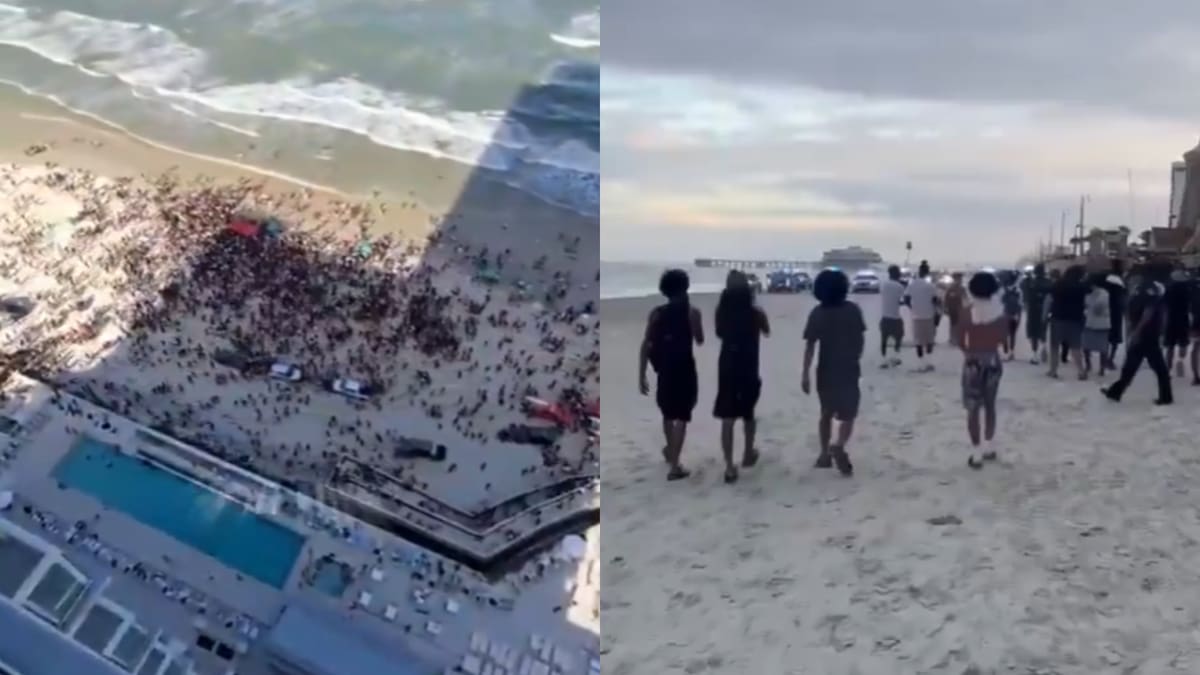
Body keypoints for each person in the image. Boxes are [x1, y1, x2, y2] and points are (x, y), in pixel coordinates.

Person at [638, 269, 705, 480]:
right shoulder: (692, 312)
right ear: (685, 287)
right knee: (683, 416)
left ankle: (670, 451)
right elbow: (700, 339)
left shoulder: (657, 313)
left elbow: (646, 345)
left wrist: (641, 374)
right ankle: (675, 465)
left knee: (668, 414)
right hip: (685, 368)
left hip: (664, 368)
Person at [802, 269, 865, 476]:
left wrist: (805, 373)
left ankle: (823, 454)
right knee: (849, 414)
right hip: (848, 367)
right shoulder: (853, 310)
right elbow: (860, 339)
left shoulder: (817, 313)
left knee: (826, 413)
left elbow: (810, 346)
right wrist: (855, 355)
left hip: (826, 368)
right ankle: (839, 444)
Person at [712, 270, 770, 484]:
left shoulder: (722, 311)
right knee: (748, 412)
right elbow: (767, 331)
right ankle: (748, 452)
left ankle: (729, 466)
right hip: (748, 364)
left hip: (728, 363)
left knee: (727, 417)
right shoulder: (755, 312)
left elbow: (719, 333)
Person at [956, 271, 1007, 469]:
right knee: (990, 405)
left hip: (973, 362)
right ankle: (989, 446)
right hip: (993, 360)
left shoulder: (967, 312)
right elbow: (1002, 339)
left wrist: (969, 352)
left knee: (973, 408)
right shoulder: (1000, 313)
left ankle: (976, 452)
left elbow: (960, 341)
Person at [1102, 272, 1173, 405]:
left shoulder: (1145, 290)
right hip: (1146, 333)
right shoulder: (1142, 291)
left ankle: (1166, 397)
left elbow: (1148, 312)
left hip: (1147, 334)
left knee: (1155, 367)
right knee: (1132, 366)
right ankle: (1115, 392)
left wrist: (1137, 331)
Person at [1047, 265, 1087, 379]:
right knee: (1076, 347)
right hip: (1075, 319)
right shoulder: (1081, 286)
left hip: (1058, 318)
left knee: (1055, 346)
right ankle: (1081, 371)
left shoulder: (1058, 284)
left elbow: (1051, 297)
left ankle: (1053, 370)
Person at [905, 261, 939, 372]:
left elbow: (906, 299)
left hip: (916, 316)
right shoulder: (930, 285)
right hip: (929, 315)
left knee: (918, 341)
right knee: (929, 340)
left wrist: (912, 308)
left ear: (919, 272)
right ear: (927, 272)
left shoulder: (912, 285)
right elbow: (935, 300)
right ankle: (928, 362)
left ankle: (920, 363)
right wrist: (936, 312)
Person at [1081, 273, 1111, 378]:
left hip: (1099, 323)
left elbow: (1097, 308)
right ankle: (1091, 365)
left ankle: (1100, 367)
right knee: (1088, 346)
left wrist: (1089, 306)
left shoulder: (1103, 293)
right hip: (1092, 322)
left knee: (1100, 347)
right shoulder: (1090, 293)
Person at [1021, 264, 1052, 364]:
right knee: (1043, 330)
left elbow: (1024, 292)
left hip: (1032, 310)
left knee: (1033, 333)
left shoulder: (1030, 282)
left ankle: (1034, 355)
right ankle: (1044, 347)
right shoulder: (1049, 282)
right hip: (1044, 309)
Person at [1163, 268, 1192, 377]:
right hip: (1183, 318)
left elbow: (1164, 305)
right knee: (1183, 343)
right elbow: (1191, 304)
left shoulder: (1168, 289)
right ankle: (1180, 359)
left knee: (1170, 346)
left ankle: (1168, 367)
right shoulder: (1188, 289)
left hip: (1171, 319)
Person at [878, 265, 906, 367]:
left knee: (884, 339)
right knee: (899, 336)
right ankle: (895, 357)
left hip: (885, 317)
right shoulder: (899, 286)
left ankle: (883, 360)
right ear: (898, 274)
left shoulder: (883, 285)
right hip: (895, 317)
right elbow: (901, 300)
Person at [1103, 260, 1126, 369]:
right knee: (1115, 338)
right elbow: (1122, 298)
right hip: (1116, 311)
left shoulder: (1105, 278)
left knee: (1106, 336)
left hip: (1106, 310)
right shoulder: (1119, 282)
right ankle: (1110, 359)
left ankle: (1104, 358)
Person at [1000, 271, 1022, 360]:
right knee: (1013, 334)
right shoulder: (1018, 290)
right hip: (1014, 315)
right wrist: (1019, 316)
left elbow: (999, 302)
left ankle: (1005, 352)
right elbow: (1020, 304)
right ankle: (1011, 352)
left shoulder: (1002, 290)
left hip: (1004, 314)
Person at [943, 272, 966, 348]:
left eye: (960, 279)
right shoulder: (951, 288)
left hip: (960, 309)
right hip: (953, 309)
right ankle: (953, 339)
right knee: (954, 324)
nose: (960, 280)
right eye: (959, 279)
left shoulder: (962, 288)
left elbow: (965, 298)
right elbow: (946, 298)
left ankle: (956, 338)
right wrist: (945, 307)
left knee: (958, 324)